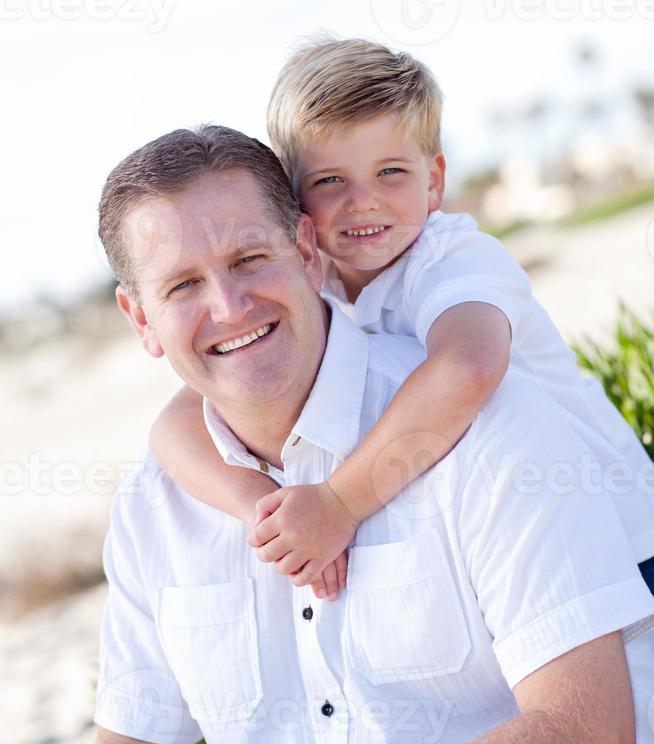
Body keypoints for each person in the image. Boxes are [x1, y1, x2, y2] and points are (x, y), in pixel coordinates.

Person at [3, 123, 654, 744]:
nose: (229, 308)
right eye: (184, 285)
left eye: (249, 260)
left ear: (308, 251)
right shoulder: (160, 502)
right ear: (140, 319)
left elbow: (584, 741)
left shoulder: (483, 421)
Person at [148, 37, 654, 605]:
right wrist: (257, 505)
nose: (363, 202)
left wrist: (337, 503)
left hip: (622, 537)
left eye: (390, 171)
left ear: (434, 181)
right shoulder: (316, 287)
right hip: (511, 542)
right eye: (330, 180)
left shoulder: (454, 260)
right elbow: (174, 426)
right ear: (293, 204)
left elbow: (466, 366)